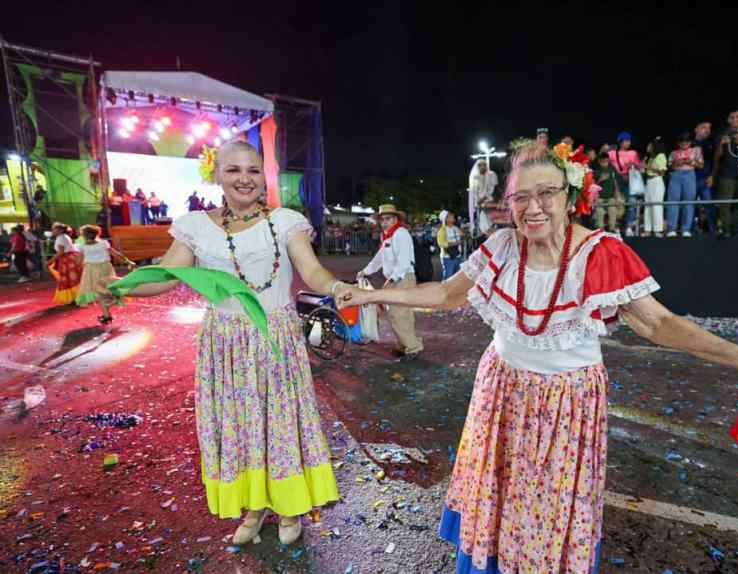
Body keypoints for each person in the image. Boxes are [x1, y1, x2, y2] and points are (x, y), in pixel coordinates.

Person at [336, 142, 738, 574]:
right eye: (519, 197)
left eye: (545, 193)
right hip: (500, 392)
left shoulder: (601, 253)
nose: (533, 207)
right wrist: (374, 297)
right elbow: (445, 294)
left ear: (568, 196)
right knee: (499, 499)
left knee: (546, 515)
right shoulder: (501, 246)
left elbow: (657, 323)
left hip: (565, 408)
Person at [95, 141, 341, 545]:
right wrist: (123, 289)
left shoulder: (286, 221)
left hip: (274, 338)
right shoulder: (195, 226)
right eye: (233, 170)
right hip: (224, 345)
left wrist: (338, 288)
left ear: (264, 176)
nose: (245, 178)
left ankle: (290, 507)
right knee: (240, 426)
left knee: (278, 424)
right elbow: (167, 275)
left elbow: (312, 272)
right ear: (216, 175)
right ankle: (254, 507)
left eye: (253, 170)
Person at [357, 204, 424, 360]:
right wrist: (365, 271)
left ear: (396, 219)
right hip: (395, 279)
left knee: (399, 314)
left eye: (388, 218)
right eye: (382, 219)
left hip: (402, 278)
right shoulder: (388, 236)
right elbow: (379, 258)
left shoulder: (401, 234)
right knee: (396, 314)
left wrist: (392, 280)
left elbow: (404, 261)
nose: (385, 222)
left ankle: (413, 347)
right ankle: (404, 344)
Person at [75, 224, 132, 325]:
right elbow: (116, 254)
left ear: (83, 236)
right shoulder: (103, 243)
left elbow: (78, 261)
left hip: (91, 270)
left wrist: (75, 264)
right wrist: (128, 261)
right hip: (105, 268)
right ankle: (107, 313)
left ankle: (107, 314)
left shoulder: (82, 247)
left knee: (98, 291)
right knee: (105, 288)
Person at [667, 132, 704, 237]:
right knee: (673, 201)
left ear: (690, 142)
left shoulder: (696, 150)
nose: (684, 143)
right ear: (678, 143)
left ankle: (686, 229)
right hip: (676, 175)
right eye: (682, 142)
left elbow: (701, 165)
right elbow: (669, 166)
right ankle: (672, 229)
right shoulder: (674, 153)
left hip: (690, 174)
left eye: (687, 141)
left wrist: (690, 162)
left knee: (688, 201)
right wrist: (676, 163)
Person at [608, 131, 642, 236]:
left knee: (631, 203)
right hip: (617, 181)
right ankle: (616, 227)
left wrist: (634, 166)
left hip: (630, 181)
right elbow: (606, 164)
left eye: (629, 141)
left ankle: (629, 227)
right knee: (618, 204)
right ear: (620, 142)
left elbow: (639, 168)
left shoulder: (633, 153)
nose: (628, 143)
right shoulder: (612, 153)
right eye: (626, 141)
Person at [48, 222, 83, 304]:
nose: (52, 231)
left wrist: (50, 261)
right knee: (73, 278)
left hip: (66, 260)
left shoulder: (60, 238)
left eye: (54, 229)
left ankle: (74, 297)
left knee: (68, 278)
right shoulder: (65, 236)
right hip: (70, 258)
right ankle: (75, 297)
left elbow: (60, 252)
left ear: (59, 230)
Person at [693, 121, 717, 233]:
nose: (707, 130)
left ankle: (713, 230)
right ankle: (689, 230)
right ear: (696, 129)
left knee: (709, 206)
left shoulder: (712, 144)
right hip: (691, 179)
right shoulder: (689, 143)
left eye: (709, 128)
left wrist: (712, 176)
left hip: (705, 178)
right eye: (703, 127)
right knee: (689, 206)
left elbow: (715, 162)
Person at [591, 152, 623, 233]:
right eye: (603, 162)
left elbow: (615, 182)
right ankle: (600, 230)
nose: (605, 163)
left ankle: (612, 229)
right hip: (599, 197)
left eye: (606, 161)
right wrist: (601, 179)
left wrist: (617, 193)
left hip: (611, 196)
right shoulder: (596, 170)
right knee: (600, 212)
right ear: (599, 161)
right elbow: (593, 185)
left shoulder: (612, 169)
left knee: (612, 210)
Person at [642, 137, 667, 237]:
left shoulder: (661, 155)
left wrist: (648, 167)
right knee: (647, 205)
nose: (648, 147)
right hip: (649, 181)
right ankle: (648, 229)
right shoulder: (650, 157)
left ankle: (658, 230)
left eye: (650, 145)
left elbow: (662, 172)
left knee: (656, 205)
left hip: (657, 180)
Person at [468, 159, 499, 238]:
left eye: (484, 164)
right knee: (484, 225)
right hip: (480, 204)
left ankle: (496, 237)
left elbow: (493, 189)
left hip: (490, 202)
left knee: (493, 222)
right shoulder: (474, 177)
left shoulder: (492, 175)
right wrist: (478, 201)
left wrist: (484, 198)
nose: (483, 167)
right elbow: (474, 192)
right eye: (480, 165)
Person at [437, 210, 463, 280]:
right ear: (446, 219)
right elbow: (441, 244)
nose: (452, 216)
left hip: (458, 256)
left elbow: (462, 236)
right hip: (448, 258)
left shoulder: (456, 228)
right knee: (448, 278)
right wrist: (456, 243)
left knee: (457, 277)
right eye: (450, 215)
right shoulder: (442, 230)